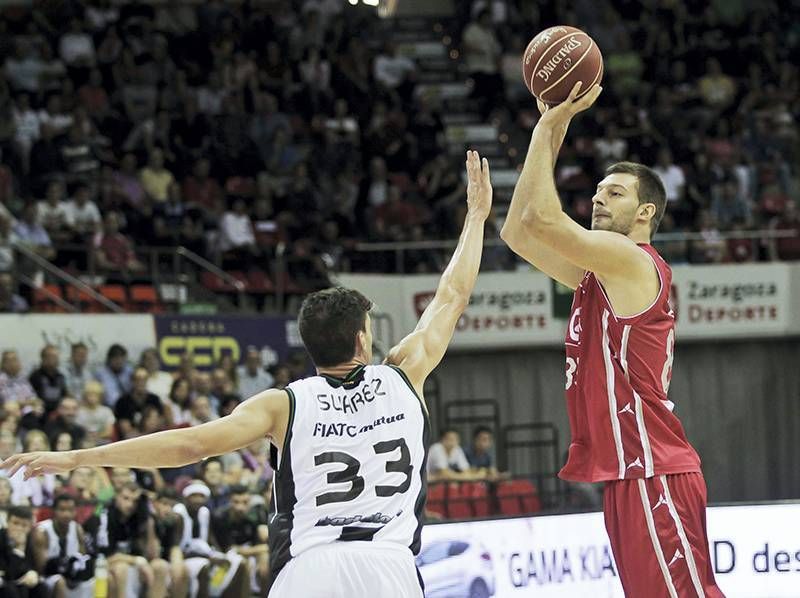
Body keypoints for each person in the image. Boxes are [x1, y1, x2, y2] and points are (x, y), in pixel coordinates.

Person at [2, 151, 494, 598]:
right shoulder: (404, 375)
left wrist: (77, 458)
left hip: (312, 569)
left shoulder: (284, 403)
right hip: (391, 568)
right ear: (363, 341)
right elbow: (452, 296)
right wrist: (475, 218)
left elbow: (189, 445)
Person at [499, 83, 723, 598]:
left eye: (615, 193)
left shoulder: (633, 260)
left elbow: (541, 218)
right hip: (629, 475)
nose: (598, 197)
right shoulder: (594, 275)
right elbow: (517, 231)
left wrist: (546, 126)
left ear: (645, 213)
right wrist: (550, 129)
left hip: (654, 470)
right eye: (597, 190)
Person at [82, 481, 169, 598]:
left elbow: (153, 555)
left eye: (135, 501)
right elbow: (105, 558)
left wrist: (149, 520)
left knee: (160, 565)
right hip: (97, 566)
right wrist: (137, 561)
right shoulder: (103, 518)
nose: (130, 504)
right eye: (126, 498)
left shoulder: (138, 517)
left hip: (130, 564)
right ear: (117, 497)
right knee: (121, 568)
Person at [33, 494, 94, 598]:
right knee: (60, 581)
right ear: (54, 511)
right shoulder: (42, 531)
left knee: (93, 580)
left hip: (71, 575)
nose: (66, 514)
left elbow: (82, 560)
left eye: (70, 510)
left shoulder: (77, 528)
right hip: (48, 578)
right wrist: (63, 567)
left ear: (75, 511)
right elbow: (41, 568)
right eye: (62, 510)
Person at [211, 484, 269, 595]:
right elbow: (230, 549)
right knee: (242, 563)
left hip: (249, 554)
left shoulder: (254, 515)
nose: (240, 507)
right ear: (229, 501)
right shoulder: (219, 517)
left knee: (265, 559)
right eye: (236, 502)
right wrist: (263, 548)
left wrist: (262, 549)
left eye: (245, 502)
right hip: (221, 558)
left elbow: (256, 544)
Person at [0, 505, 47, 598]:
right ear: (7, 522)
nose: (19, 528)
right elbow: (9, 574)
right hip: (5, 583)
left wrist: (32, 573)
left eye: (24, 525)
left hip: (20, 581)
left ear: (30, 527)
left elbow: (34, 565)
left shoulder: (31, 539)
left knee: (40, 587)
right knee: (11, 590)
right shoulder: (1, 538)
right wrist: (18, 549)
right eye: (15, 523)